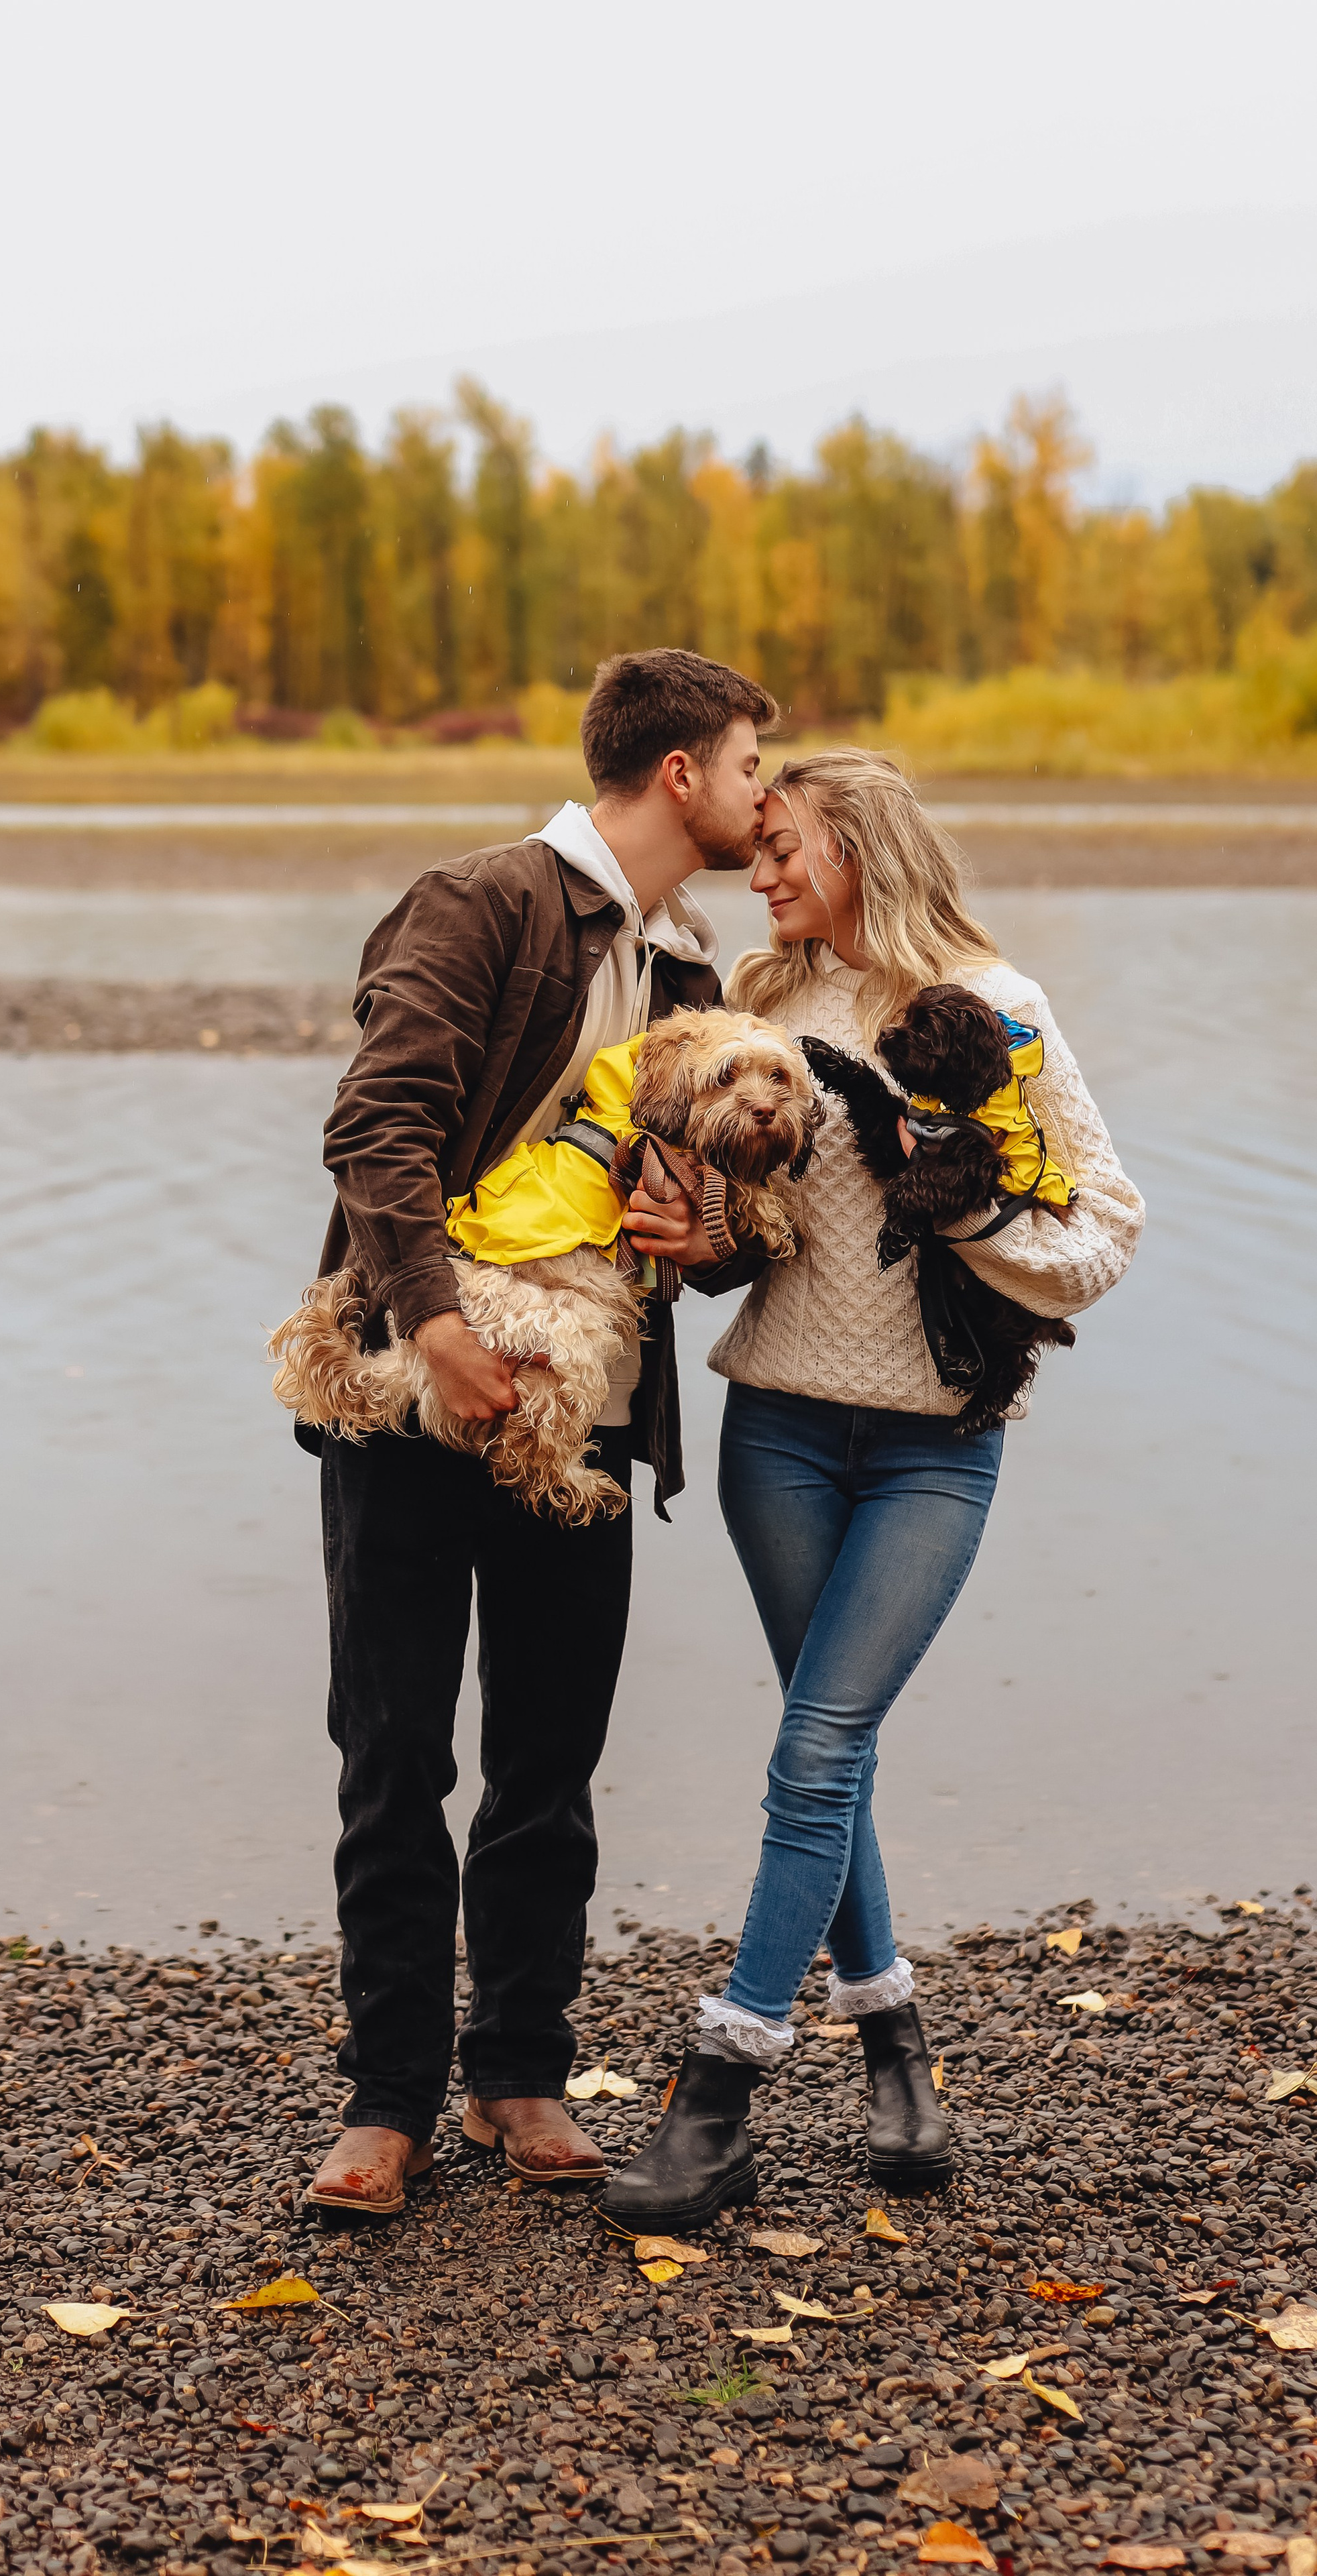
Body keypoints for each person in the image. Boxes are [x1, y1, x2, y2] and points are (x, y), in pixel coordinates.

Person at [599, 746, 1145, 2232]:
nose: (757, 871)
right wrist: (686, 1228)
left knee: (818, 1745)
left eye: (781, 847)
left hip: (930, 1446)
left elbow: (1101, 1228)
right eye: (753, 848)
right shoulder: (763, 1007)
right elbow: (741, 1231)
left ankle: (718, 2094)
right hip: (774, 1429)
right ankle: (896, 2052)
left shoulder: (990, 1007)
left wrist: (963, 1204)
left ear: (861, 845)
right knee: (819, 1755)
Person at [302, 649, 776, 2219]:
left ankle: (516, 2071)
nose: (766, 799)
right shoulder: (483, 902)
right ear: (680, 775)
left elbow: (723, 1233)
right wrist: (434, 1329)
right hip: (416, 1394)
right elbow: (376, 1123)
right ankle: (385, 2106)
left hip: (589, 1410)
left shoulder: (693, 981)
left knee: (549, 1759)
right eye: (751, 767)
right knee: (392, 1752)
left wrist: (698, 1231)